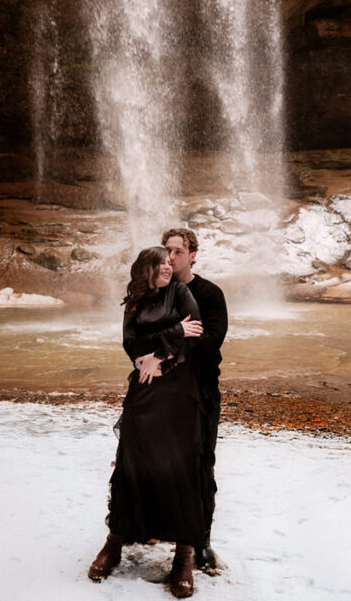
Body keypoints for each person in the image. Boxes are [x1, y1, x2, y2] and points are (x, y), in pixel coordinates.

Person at [88, 246, 205, 598]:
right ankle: (115, 543)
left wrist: (160, 359)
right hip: (143, 387)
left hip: (179, 390)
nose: (169, 267)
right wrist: (167, 339)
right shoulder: (135, 301)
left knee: (181, 467)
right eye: (162, 263)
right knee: (132, 462)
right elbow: (130, 343)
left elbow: (194, 337)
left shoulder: (181, 293)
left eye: (172, 262)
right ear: (146, 268)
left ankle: (183, 556)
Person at [162, 227, 228, 572]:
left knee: (201, 464)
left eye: (177, 251)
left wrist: (166, 346)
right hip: (161, 392)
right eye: (166, 250)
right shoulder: (157, 291)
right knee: (156, 463)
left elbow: (213, 339)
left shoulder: (210, 293)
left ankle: (200, 541)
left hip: (200, 390)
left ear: (192, 255)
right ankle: (155, 528)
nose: (170, 257)